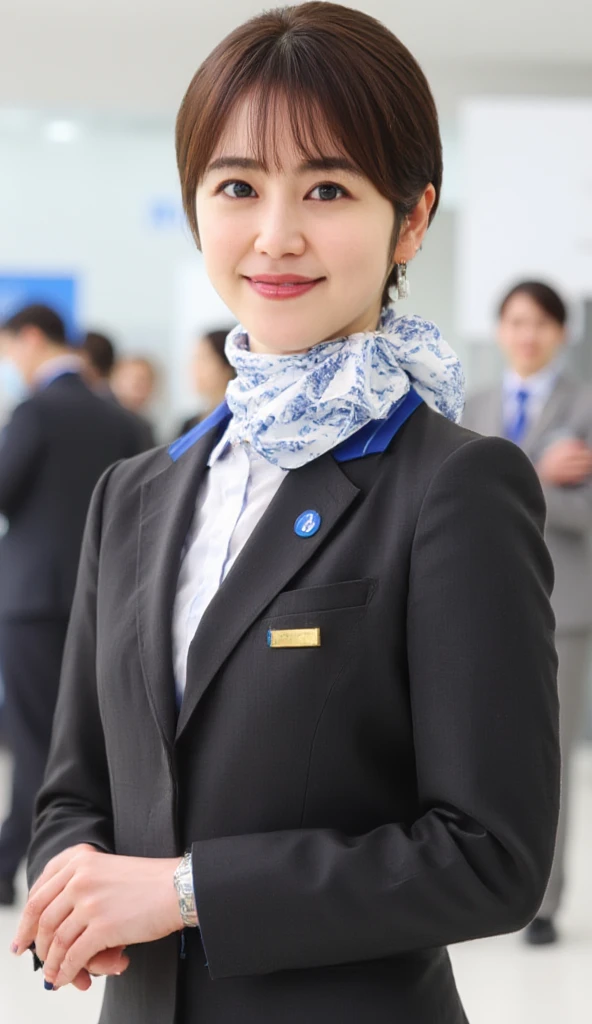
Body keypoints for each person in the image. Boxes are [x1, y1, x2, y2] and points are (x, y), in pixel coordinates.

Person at [13, 6, 559, 1023]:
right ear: (194, 208)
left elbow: (493, 855)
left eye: (326, 188)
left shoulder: (454, 484)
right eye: (235, 186)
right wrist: (71, 879)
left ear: (411, 217)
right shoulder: (134, 493)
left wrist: (179, 892)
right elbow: (74, 785)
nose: (275, 234)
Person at [0, 303, 144, 907]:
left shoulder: (36, 411)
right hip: (107, 599)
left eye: (10, 348)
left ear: (33, 338)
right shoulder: (124, 419)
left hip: (32, 599)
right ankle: (86, 867)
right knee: (92, 738)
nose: (11, 361)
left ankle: (21, 866)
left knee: (35, 739)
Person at [463, 280, 592, 946]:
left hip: (562, 608)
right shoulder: (473, 405)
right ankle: (482, 888)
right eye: (515, 321)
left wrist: (527, 482)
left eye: (541, 323)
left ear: (562, 333)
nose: (527, 335)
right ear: (500, 329)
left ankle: (543, 903)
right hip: (478, 605)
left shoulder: (587, 407)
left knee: (550, 757)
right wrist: (539, 472)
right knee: (475, 752)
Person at [81, 330, 156, 450]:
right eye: (133, 379)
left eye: (146, 381)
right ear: (115, 377)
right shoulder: (102, 417)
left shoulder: (145, 425)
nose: (139, 387)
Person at [177, 328, 236, 436]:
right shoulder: (190, 424)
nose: (195, 368)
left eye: (204, 359)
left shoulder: (239, 425)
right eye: (195, 359)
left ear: (228, 366)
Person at [111, 356, 158, 420]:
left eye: (146, 381)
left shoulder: (144, 424)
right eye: (129, 378)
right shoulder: (104, 416)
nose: (140, 387)